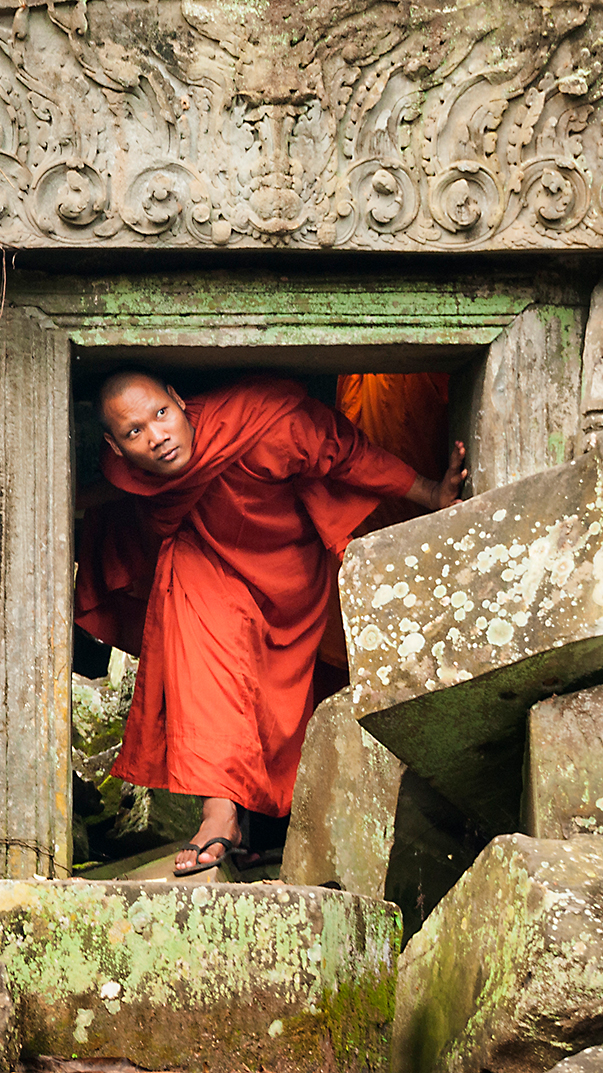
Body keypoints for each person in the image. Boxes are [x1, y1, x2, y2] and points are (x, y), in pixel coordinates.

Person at [75, 371, 466, 877]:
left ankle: (286, 823)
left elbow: (349, 454)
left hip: (285, 564)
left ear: (179, 398)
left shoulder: (262, 421)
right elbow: (105, 498)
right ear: (115, 445)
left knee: (285, 697)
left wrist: (432, 492)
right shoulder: (125, 471)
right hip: (208, 560)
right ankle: (219, 813)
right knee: (203, 659)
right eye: (134, 433)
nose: (156, 436)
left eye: (161, 414)